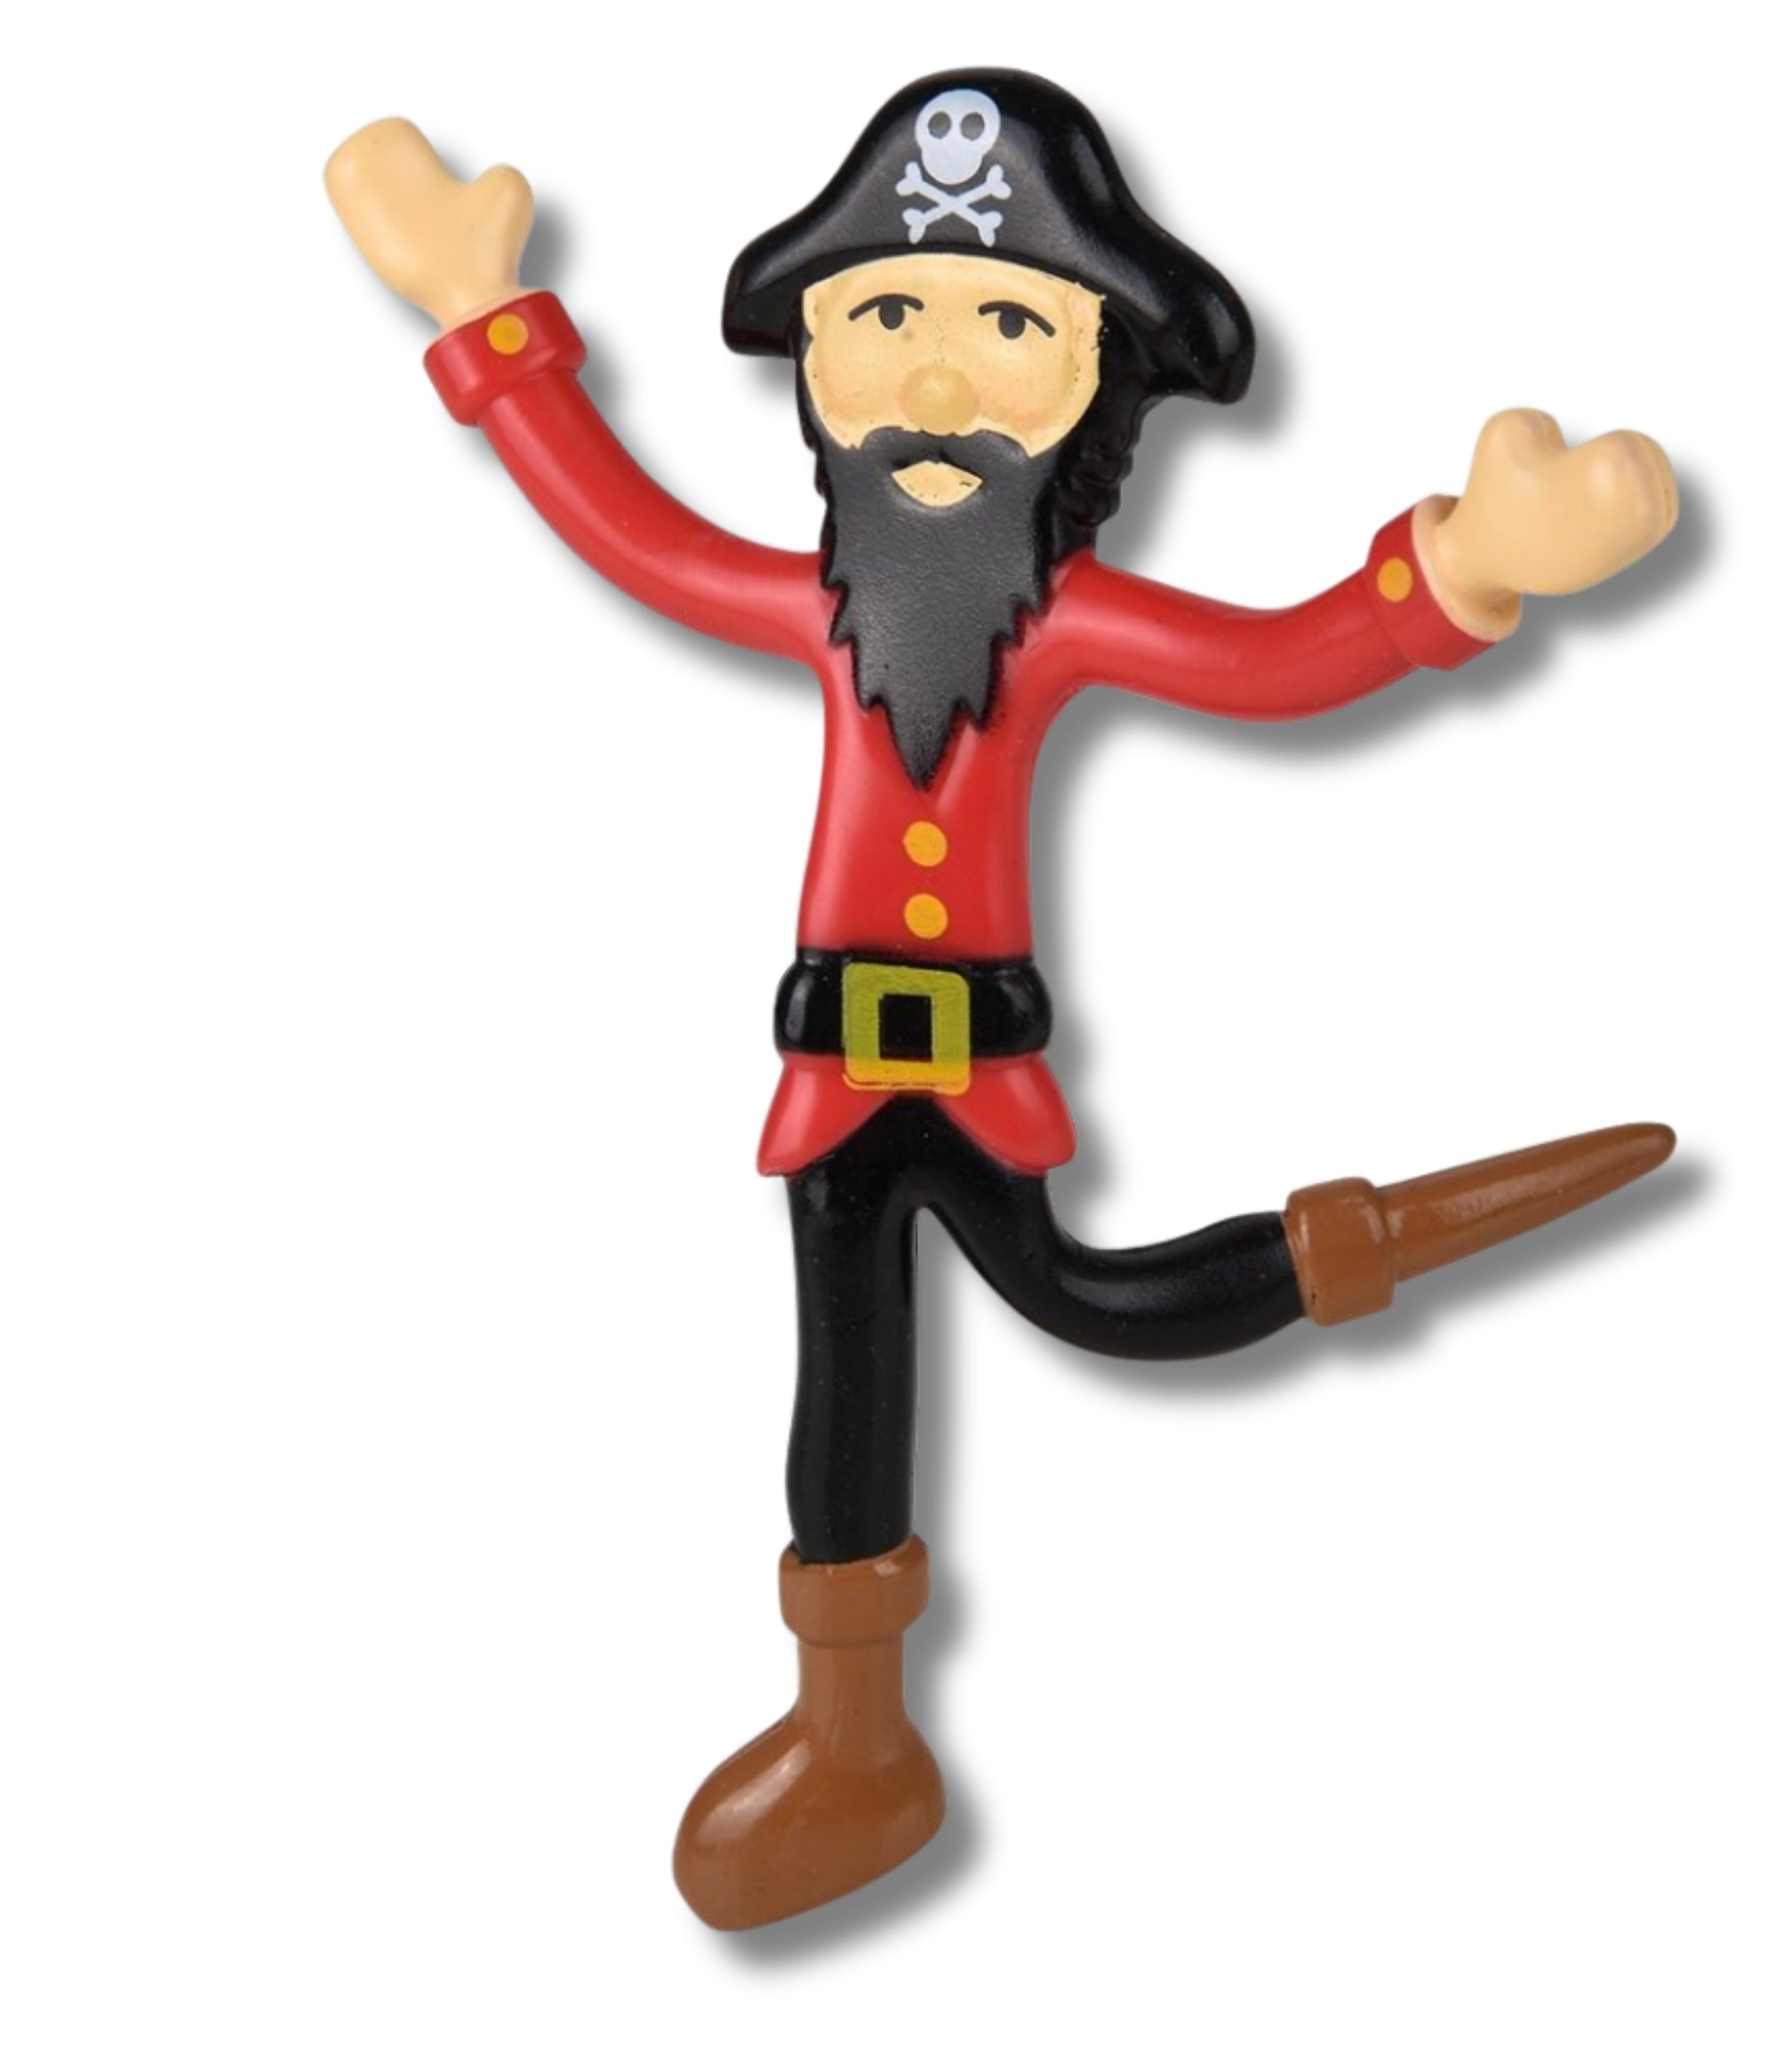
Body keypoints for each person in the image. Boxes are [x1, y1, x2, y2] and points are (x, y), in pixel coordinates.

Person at [326, 70, 1680, 1929]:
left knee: (1093, 1303)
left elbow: (1276, 660)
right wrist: (483, 316)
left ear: (1096, 381)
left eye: (1009, 331)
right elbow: (630, 532)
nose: (940, 381)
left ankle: (1372, 1245)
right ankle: (854, 1742)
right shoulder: (821, 609)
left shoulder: (1061, 625)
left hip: (980, 1074)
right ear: (817, 359)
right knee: (842, 1394)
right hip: (829, 1075)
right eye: (885, 319)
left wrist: (1460, 569)